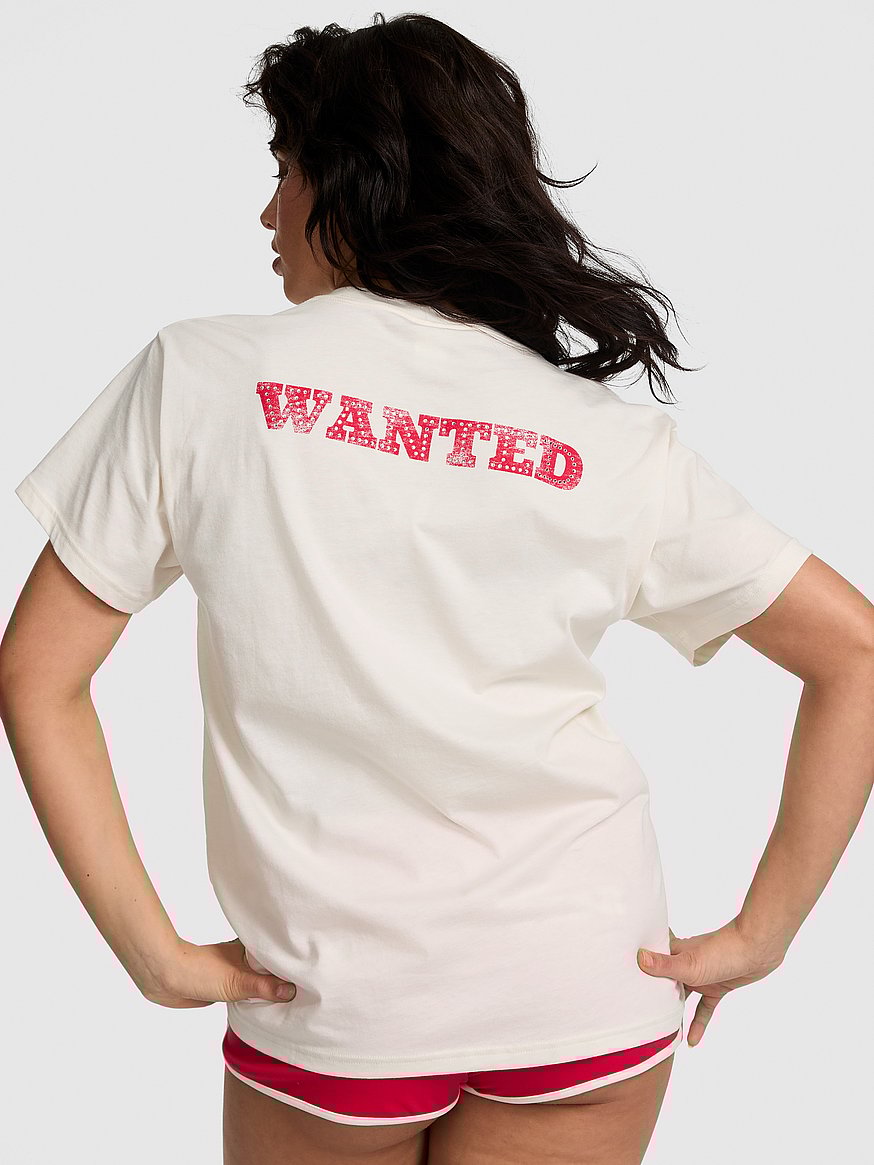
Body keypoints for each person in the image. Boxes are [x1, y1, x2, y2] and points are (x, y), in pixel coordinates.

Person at [2, 12, 871, 1165]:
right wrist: (765, 930)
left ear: (352, 181)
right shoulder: (602, 438)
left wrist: (148, 949)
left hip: (337, 1006)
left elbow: (37, 673)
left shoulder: (202, 378)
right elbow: (854, 651)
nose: (268, 214)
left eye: (285, 171)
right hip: (585, 988)